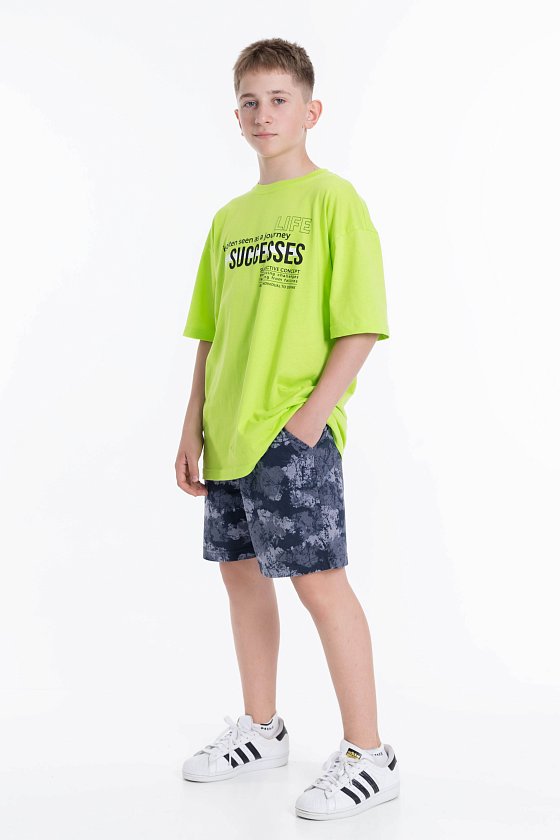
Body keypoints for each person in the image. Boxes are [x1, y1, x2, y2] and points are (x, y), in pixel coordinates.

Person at [175, 37, 400, 821]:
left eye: (278, 99)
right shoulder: (229, 220)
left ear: (311, 110)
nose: (262, 113)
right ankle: (262, 729)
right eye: (250, 100)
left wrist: (308, 421)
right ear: (235, 114)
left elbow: (361, 325)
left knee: (319, 583)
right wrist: (191, 428)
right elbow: (210, 334)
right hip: (228, 433)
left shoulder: (334, 200)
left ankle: (370, 754)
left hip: (293, 432)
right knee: (240, 577)